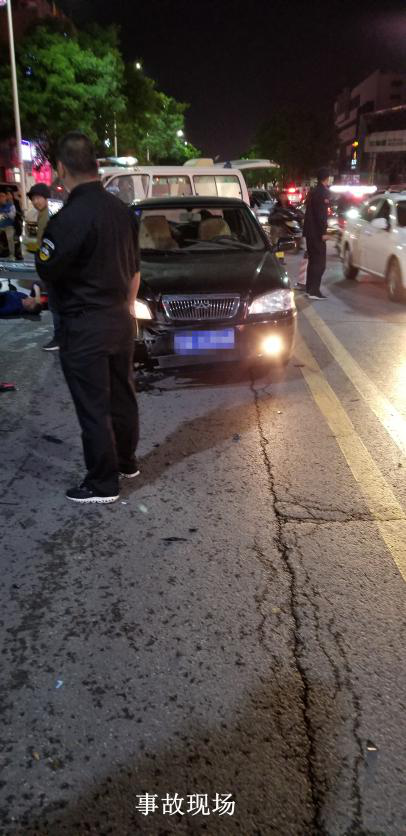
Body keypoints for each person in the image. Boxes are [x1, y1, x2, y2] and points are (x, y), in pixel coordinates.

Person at [36, 131, 140, 505]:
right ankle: (126, 462)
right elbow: (135, 269)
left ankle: (102, 483)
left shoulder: (68, 219)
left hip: (85, 324)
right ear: (96, 165)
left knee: (94, 406)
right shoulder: (122, 211)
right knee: (123, 395)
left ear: (61, 169)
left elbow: (47, 268)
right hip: (120, 318)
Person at [27, 183, 60, 351]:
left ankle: (59, 338)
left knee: (55, 303)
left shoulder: (48, 214)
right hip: (52, 264)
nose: (35, 201)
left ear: (46, 198)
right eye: (33, 199)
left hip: (52, 266)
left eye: (38, 198)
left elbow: (49, 242)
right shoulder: (43, 213)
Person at [303, 167, 331, 300]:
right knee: (320, 263)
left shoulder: (313, 191)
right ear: (327, 178)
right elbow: (321, 215)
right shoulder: (322, 192)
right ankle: (314, 291)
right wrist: (323, 232)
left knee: (313, 261)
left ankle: (309, 289)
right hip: (316, 233)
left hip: (310, 232)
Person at [0, 187, 17, 261]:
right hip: (1, 225)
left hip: (9, 226)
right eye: (0, 196)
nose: (1, 198)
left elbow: (12, 216)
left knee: (10, 238)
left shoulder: (11, 205)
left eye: (3, 196)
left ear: (6, 197)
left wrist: (5, 213)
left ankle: (12, 255)